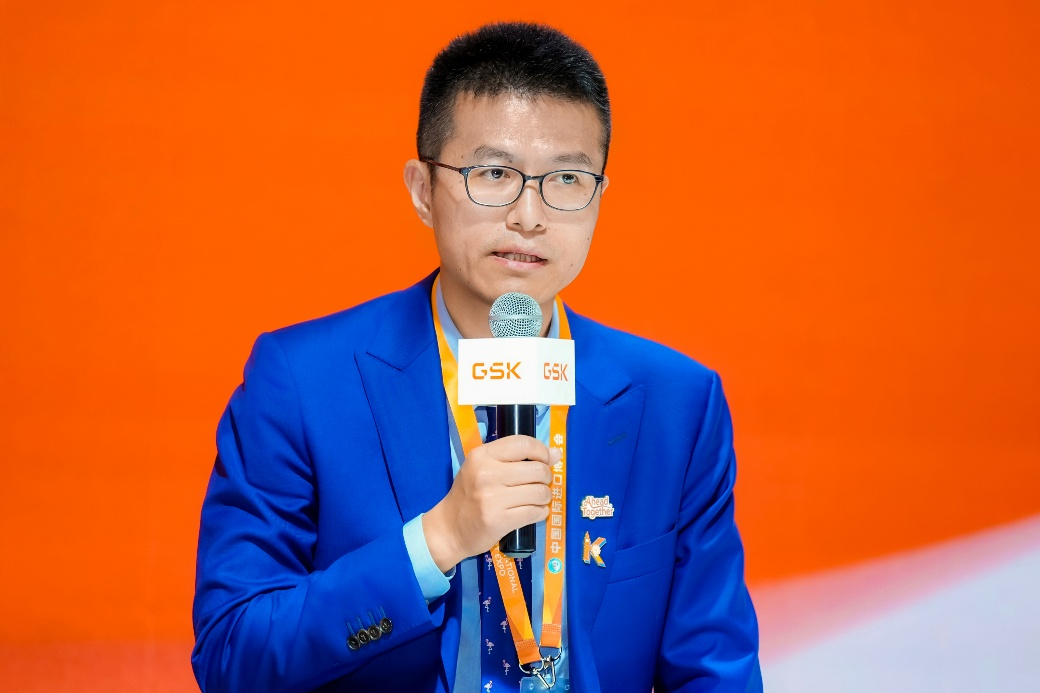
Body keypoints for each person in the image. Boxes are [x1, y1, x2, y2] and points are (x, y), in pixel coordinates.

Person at [192, 22, 761, 693]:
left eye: (567, 178)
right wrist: (436, 539)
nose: (530, 215)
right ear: (422, 189)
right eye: (494, 173)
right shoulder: (301, 382)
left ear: (600, 198)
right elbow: (232, 656)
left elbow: (714, 670)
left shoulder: (677, 404)